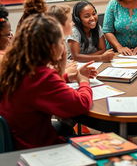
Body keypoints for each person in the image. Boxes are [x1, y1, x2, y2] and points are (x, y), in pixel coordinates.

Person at [0, 14, 94, 150]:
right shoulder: (41, 75)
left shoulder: (17, 65)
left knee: (66, 127)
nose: (63, 47)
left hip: (17, 139)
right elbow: (81, 104)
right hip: (35, 147)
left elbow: (35, 89)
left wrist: (68, 76)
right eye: (61, 42)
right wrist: (84, 81)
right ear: (51, 47)